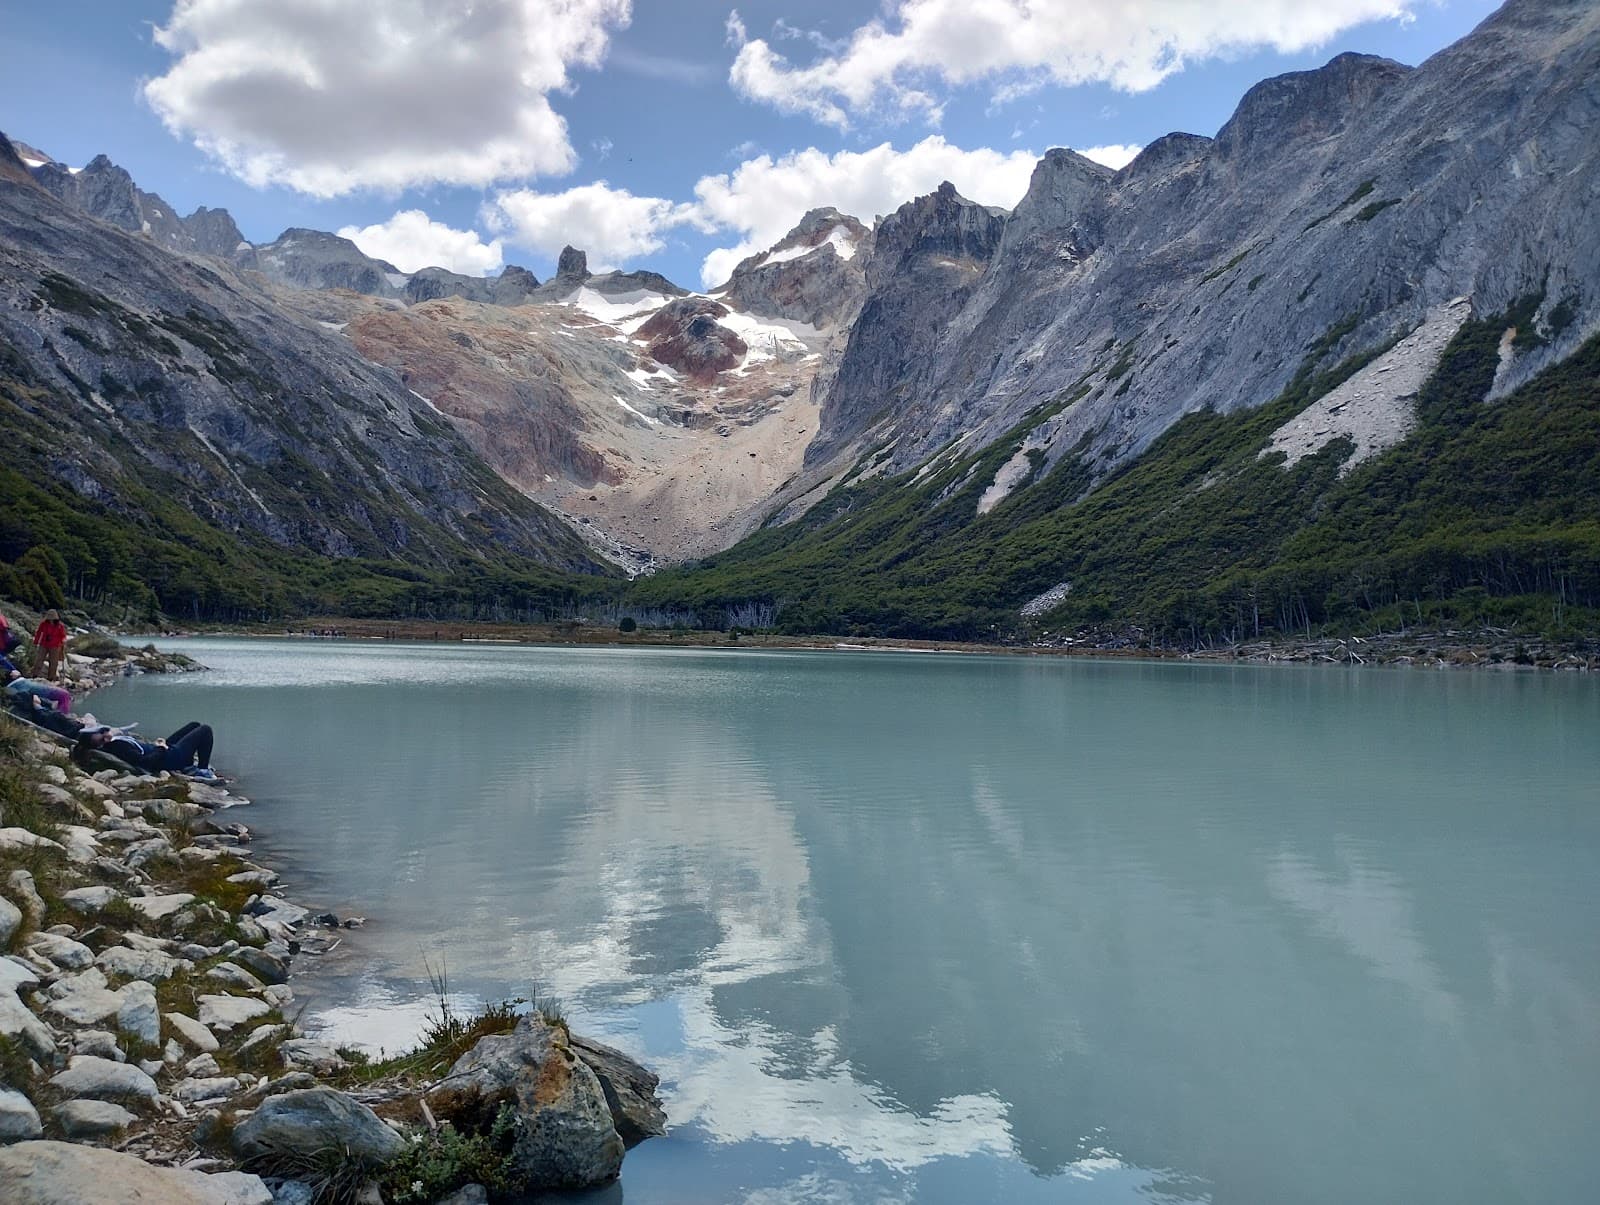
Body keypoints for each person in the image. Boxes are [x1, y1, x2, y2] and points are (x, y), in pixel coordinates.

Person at [76, 720, 218, 778]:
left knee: (194, 725)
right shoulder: (117, 747)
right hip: (171, 758)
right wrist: (161, 748)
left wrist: (158, 745)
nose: (106, 734)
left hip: (162, 751)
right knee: (205, 730)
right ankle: (203, 771)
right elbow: (145, 762)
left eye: (103, 731)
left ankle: (193, 765)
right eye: (102, 736)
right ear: (101, 743)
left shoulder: (112, 742)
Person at [4, 669, 71, 714]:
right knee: (64, 694)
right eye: (13, 672)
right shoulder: (19, 684)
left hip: (39, 690)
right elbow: (24, 693)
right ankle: (62, 715)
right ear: (12, 676)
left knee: (63, 695)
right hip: (42, 691)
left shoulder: (17, 683)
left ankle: (59, 713)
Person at [31, 610, 68, 681]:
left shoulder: (60, 626)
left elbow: (63, 636)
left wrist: (63, 641)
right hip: (44, 644)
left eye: (52, 618)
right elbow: (38, 633)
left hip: (55, 645)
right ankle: (34, 675)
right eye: (49, 618)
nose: (51, 619)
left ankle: (50, 678)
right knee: (39, 660)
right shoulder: (43, 624)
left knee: (53, 662)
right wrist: (35, 642)